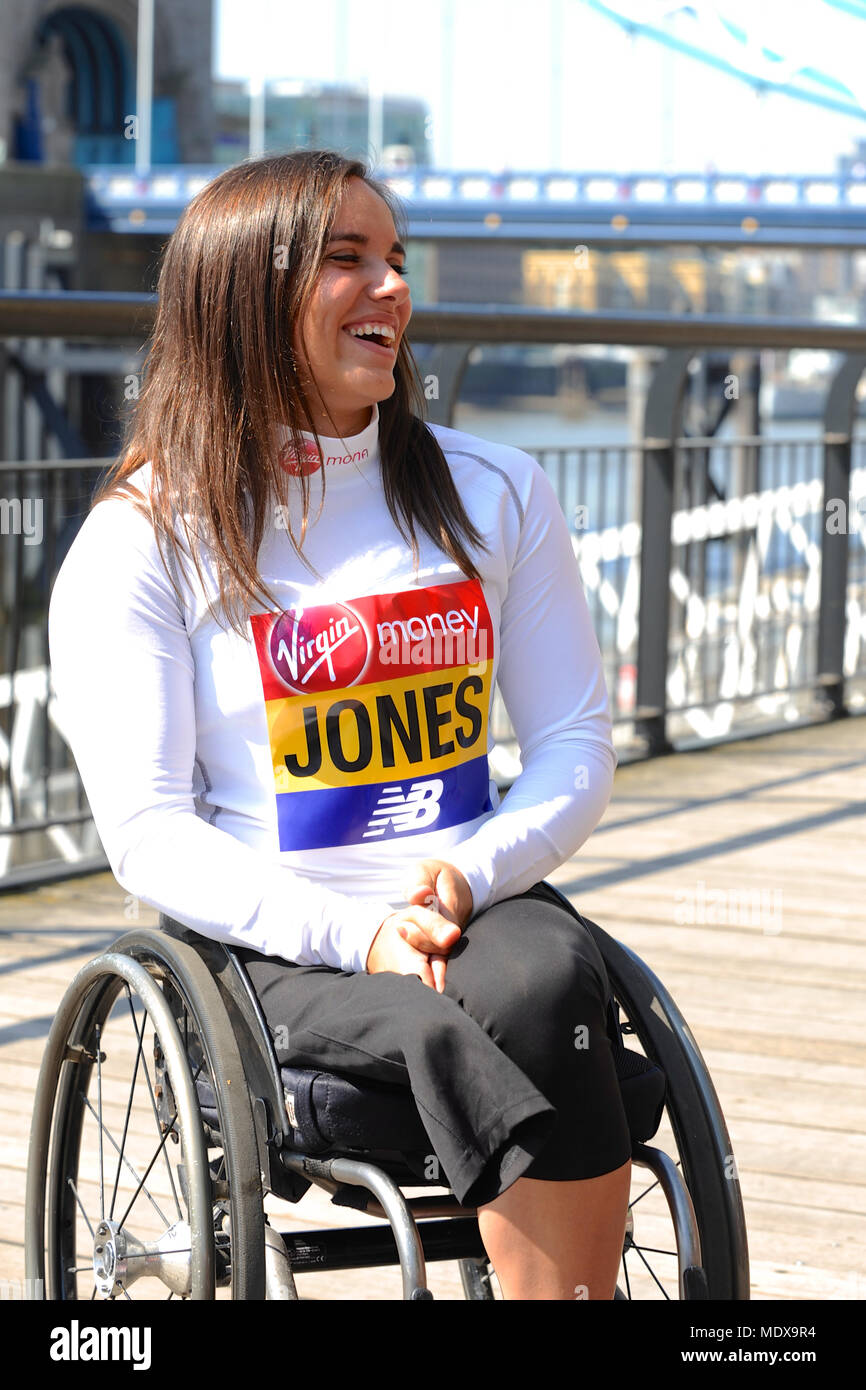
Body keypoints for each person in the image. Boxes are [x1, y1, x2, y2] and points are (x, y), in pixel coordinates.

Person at [48, 149, 632, 1300]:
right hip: (268, 939)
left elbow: (572, 742)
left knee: (550, 978)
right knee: (434, 1029)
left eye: (397, 259)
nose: (393, 289)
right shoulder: (143, 539)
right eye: (346, 260)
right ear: (242, 294)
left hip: (465, 896)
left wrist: (469, 874)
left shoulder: (498, 489)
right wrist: (354, 936)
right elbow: (151, 830)